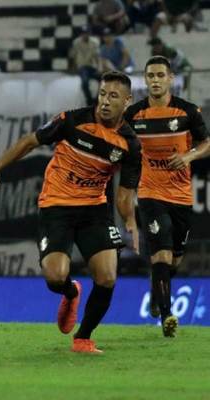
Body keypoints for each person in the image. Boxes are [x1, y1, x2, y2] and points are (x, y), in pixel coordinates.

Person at [0, 71, 141, 354]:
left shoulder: (130, 144)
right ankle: (71, 292)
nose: (105, 102)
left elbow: (125, 194)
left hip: (94, 210)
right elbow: (28, 142)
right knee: (54, 277)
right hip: (56, 206)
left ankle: (83, 337)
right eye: (102, 94)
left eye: (113, 96)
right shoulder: (72, 120)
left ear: (127, 101)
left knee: (108, 276)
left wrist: (131, 219)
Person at [124, 56, 210, 337]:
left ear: (170, 78)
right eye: (150, 76)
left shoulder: (187, 112)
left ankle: (156, 285)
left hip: (181, 195)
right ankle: (166, 316)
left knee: (173, 261)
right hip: (149, 192)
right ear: (146, 79)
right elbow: (114, 138)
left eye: (161, 75)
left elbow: (206, 143)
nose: (155, 80)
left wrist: (188, 156)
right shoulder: (134, 115)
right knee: (160, 253)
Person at [69, 26, 101, 106]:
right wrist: (73, 68)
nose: (85, 35)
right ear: (81, 34)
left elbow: (97, 56)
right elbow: (73, 55)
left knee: (103, 80)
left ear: (89, 34)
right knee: (85, 82)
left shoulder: (95, 42)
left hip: (92, 67)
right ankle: (89, 101)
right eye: (83, 33)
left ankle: (97, 100)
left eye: (86, 33)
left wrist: (99, 68)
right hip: (82, 67)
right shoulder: (76, 42)